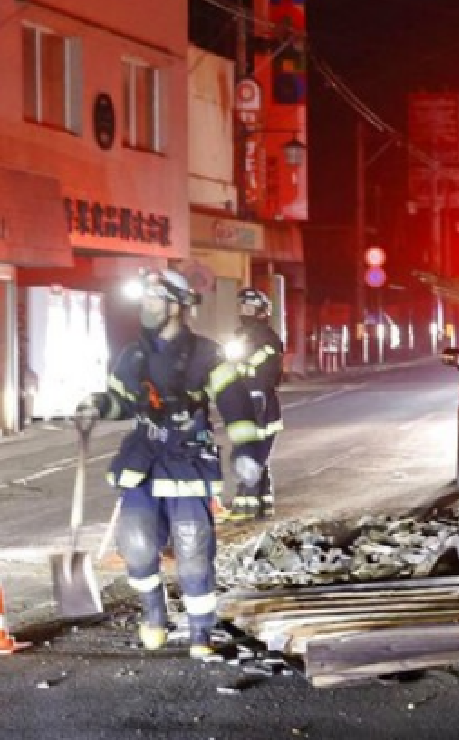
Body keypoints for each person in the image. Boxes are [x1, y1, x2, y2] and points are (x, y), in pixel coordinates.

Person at [75, 269, 264, 659]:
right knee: (137, 543)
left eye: (155, 299)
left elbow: (235, 404)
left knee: (194, 548)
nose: (147, 307)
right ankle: (154, 615)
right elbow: (122, 400)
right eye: (145, 299)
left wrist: (246, 451)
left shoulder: (206, 354)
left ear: (178, 306)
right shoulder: (133, 354)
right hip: (143, 455)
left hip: (188, 457)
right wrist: (97, 405)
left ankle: (200, 631)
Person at [224, 287, 285, 521]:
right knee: (256, 454)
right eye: (242, 307)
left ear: (261, 311)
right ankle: (262, 504)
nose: (245, 312)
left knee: (249, 454)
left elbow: (265, 374)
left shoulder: (268, 339)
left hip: (260, 406)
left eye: (250, 308)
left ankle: (245, 505)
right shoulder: (240, 336)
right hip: (247, 404)